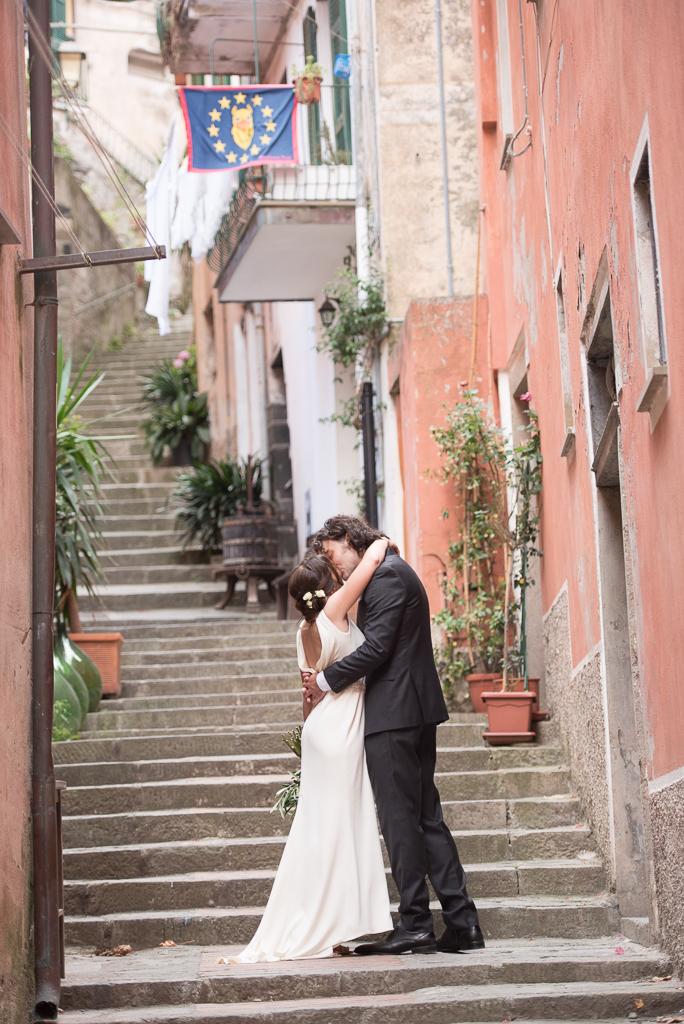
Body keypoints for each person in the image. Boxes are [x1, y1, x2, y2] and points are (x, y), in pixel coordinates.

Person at [302, 514, 484, 956]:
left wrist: (325, 681)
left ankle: (417, 924)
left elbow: (377, 648)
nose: (336, 567)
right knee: (425, 817)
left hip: (395, 715)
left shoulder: (385, 578)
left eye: (333, 554)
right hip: (413, 711)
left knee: (401, 821)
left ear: (349, 539)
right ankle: (462, 923)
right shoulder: (393, 570)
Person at [233, 538, 393, 962]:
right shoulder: (336, 610)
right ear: (325, 588)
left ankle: (329, 918)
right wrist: (378, 541)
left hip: (321, 729)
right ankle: (340, 921)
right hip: (344, 721)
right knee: (346, 824)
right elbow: (372, 561)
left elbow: (308, 696)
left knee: (321, 826)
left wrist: (308, 744)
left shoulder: (302, 631)